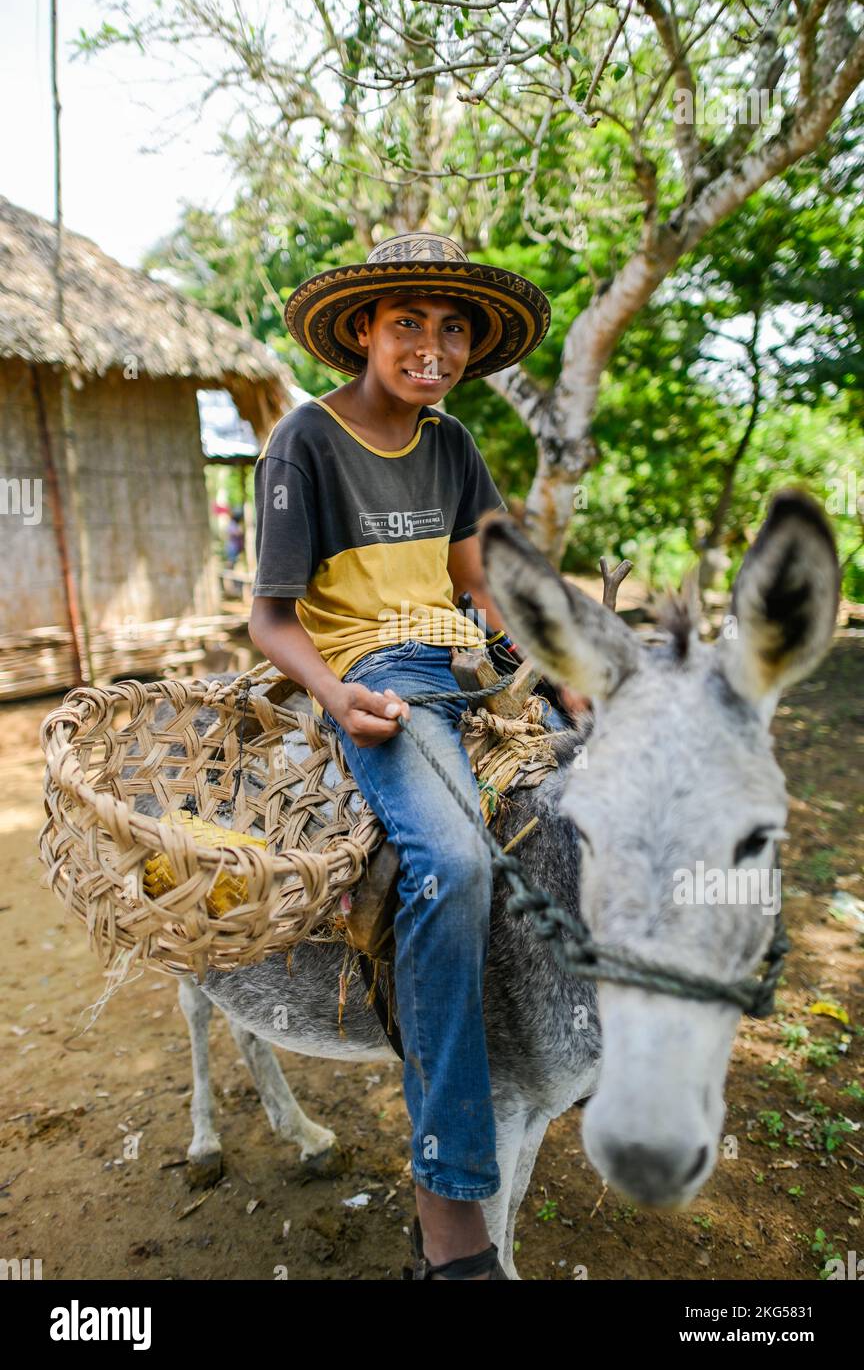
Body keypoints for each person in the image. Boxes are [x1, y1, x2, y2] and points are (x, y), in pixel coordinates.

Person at [249, 232, 585, 1280]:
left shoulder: (451, 445)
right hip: (379, 682)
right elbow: (269, 617)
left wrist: (571, 673)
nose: (431, 347)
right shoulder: (303, 441)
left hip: (474, 669)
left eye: (453, 330)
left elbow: (488, 585)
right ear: (362, 329)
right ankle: (447, 1203)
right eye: (409, 324)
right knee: (459, 863)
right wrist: (334, 695)